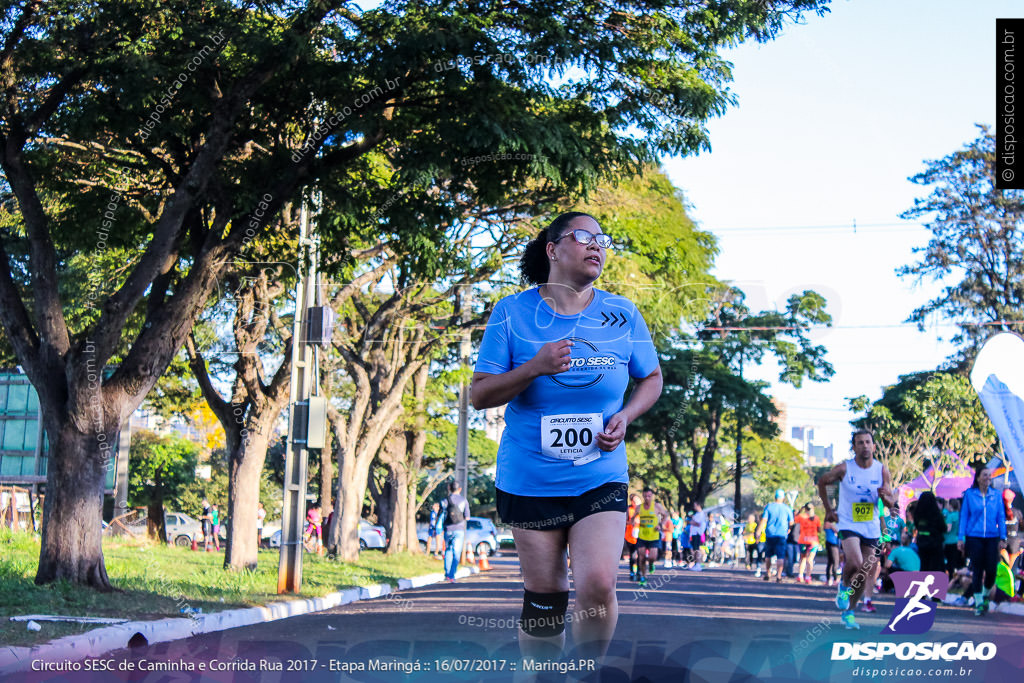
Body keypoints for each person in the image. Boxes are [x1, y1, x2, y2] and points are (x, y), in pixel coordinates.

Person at [470, 212, 662, 661]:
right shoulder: (511, 312)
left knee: (598, 583)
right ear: (553, 249)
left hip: (600, 473)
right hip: (529, 477)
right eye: (583, 236)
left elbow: (651, 378)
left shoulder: (622, 313)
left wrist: (627, 415)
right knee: (546, 594)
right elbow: (479, 395)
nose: (596, 245)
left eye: (602, 239)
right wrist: (534, 367)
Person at [817, 429, 896, 630]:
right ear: (854, 447)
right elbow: (823, 481)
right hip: (848, 522)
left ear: (874, 446)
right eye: (860, 442)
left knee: (864, 570)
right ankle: (844, 587)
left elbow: (890, 501)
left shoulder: (881, 470)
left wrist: (886, 498)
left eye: (868, 442)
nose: (865, 446)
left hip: (870, 525)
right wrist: (828, 509)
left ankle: (849, 611)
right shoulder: (844, 469)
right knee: (856, 561)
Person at [958, 467, 1007, 616]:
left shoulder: (996, 495)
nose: (988, 478)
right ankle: (979, 602)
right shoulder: (970, 495)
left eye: (989, 476)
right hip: (974, 536)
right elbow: (964, 516)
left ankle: (985, 595)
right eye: (984, 475)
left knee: (992, 570)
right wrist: (961, 537)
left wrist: (1003, 537)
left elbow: (1001, 517)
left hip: (992, 537)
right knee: (978, 569)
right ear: (978, 478)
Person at [631, 488, 668, 584]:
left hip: (654, 536)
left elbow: (665, 515)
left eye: (649, 496)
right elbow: (633, 517)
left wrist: (660, 525)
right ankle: (643, 577)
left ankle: (651, 564)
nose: (647, 498)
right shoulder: (639, 507)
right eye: (645, 496)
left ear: (652, 496)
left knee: (652, 557)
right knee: (641, 557)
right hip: (642, 536)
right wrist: (632, 522)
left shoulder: (657, 506)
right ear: (643, 496)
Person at [757, 489, 793, 583]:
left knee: (768, 555)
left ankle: (768, 573)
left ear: (775, 497)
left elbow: (764, 520)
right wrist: (789, 529)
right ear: (783, 498)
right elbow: (791, 522)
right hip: (781, 535)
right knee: (780, 556)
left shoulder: (769, 507)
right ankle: (779, 576)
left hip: (770, 534)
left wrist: (758, 532)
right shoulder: (787, 508)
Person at [441, 481, 469, 582]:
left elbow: (442, 514)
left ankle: (447, 573)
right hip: (459, 529)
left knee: (448, 550)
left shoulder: (445, 500)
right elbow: (467, 517)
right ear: (460, 489)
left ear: (449, 488)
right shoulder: (463, 500)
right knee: (456, 552)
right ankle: (452, 575)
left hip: (448, 528)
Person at [913, 491, 946, 573]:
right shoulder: (936, 514)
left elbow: (917, 525)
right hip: (935, 543)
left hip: (922, 542)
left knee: (924, 565)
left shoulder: (917, 514)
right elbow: (943, 528)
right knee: (935, 567)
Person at [796, 505, 822, 584]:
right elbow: (819, 530)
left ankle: (800, 576)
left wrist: (800, 510)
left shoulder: (801, 516)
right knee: (810, 560)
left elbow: (794, 520)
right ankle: (808, 577)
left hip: (803, 540)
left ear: (805, 509)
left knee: (803, 558)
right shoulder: (816, 518)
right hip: (813, 541)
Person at [943, 497, 962, 579]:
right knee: (957, 562)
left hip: (949, 542)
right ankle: (957, 579)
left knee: (949, 562)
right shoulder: (960, 514)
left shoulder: (950, 516)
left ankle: (951, 579)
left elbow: (948, 529)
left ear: (950, 505)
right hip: (958, 540)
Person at [624, 493, 641, 581]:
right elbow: (625, 521)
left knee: (640, 554)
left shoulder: (643, 509)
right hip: (630, 536)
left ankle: (639, 572)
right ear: (631, 502)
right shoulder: (628, 509)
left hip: (641, 535)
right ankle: (632, 572)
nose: (636, 502)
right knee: (633, 555)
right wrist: (632, 522)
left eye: (637, 500)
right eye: (634, 501)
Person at [688, 502, 708, 571]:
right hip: (694, 534)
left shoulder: (701, 514)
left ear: (699, 505)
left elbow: (698, 524)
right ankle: (696, 564)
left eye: (695, 505)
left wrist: (692, 521)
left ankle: (698, 564)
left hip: (697, 534)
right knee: (694, 550)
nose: (694, 507)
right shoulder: (697, 514)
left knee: (697, 550)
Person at [824, 517, 841, 586]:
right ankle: (835, 579)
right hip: (833, 544)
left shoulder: (826, 523)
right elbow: (838, 532)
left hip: (829, 543)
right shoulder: (830, 524)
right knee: (835, 562)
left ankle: (828, 579)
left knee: (830, 562)